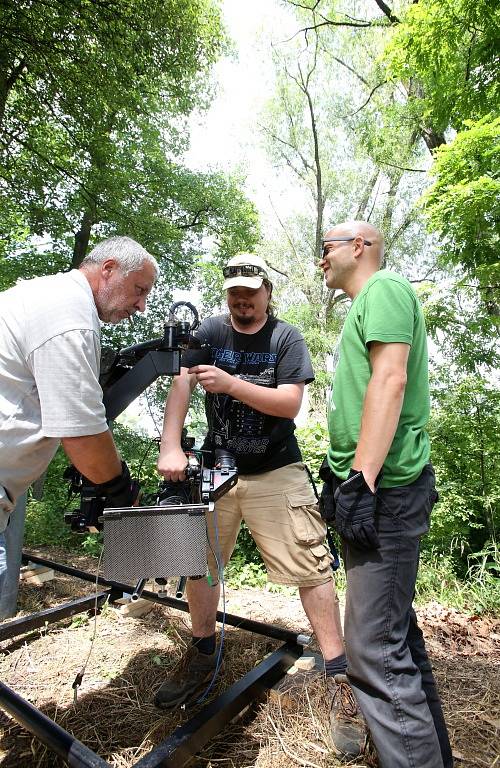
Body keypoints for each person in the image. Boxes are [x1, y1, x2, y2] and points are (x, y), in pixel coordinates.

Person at [155, 253, 362, 752]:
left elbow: (291, 403)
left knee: (312, 569)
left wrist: (231, 385)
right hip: (216, 467)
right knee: (197, 564)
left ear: (268, 290)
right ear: (226, 293)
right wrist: (170, 444)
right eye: (234, 293)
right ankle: (203, 652)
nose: (243, 301)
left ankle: (341, 681)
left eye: (251, 292)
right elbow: (181, 386)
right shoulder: (207, 332)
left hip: (277, 469)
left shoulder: (286, 338)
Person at [319, 220, 453, 768]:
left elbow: (391, 380)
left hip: (387, 492)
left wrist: (362, 478)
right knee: (395, 638)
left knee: (372, 651)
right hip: (376, 489)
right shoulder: (365, 304)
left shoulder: (385, 291)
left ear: (359, 246)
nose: (320, 259)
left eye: (325, 247)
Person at [0, 235, 159, 594]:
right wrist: (120, 489)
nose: (141, 305)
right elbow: (81, 429)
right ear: (108, 269)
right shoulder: (69, 315)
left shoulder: (47, 295)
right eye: (138, 290)